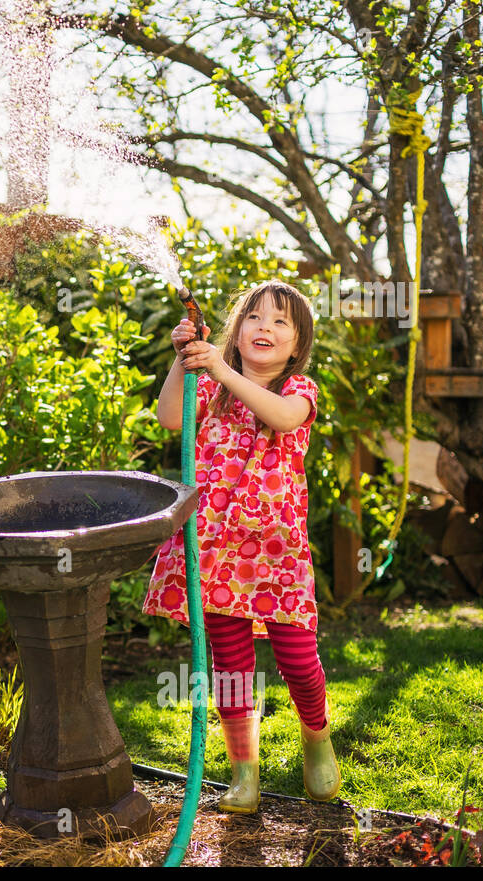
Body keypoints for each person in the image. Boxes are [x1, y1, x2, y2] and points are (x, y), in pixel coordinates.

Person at [143, 279, 340, 813]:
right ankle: (244, 772)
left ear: (297, 344)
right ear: (236, 328)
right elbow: (168, 418)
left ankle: (316, 738)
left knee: (298, 659)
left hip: (276, 555)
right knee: (231, 666)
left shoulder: (299, 390)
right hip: (216, 551)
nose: (265, 328)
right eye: (254, 317)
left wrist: (222, 368)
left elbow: (282, 419)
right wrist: (183, 360)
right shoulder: (210, 390)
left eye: (280, 322)